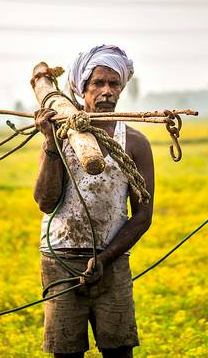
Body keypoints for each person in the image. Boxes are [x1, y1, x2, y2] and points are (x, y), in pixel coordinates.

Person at [33, 45, 154, 358]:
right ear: (81, 89)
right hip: (60, 260)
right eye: (98, 83)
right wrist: (49, 141)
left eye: (114, 84)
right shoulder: (60, 135)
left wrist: (106, 257)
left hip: (112, 262)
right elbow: (45, 202)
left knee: (119, 351)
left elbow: (143, 216)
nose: (106, 91)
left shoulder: (135, 143)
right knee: (66, 353)